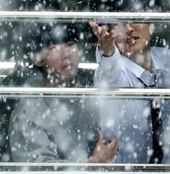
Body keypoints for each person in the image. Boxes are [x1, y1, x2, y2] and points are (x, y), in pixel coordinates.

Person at [9, 23, 119, 163]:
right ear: (36, 58)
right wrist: (94, 164)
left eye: (71, 44)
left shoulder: (90, 96)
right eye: (54, 48)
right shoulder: (28, 113)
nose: (66, 54)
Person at [89, 21, 170, 164]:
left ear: (151, 25)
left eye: (135, 20)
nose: (128, 29)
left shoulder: (168, 58)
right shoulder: (111, 74)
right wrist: (107, 50)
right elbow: (109, 65)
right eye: (119, 24)